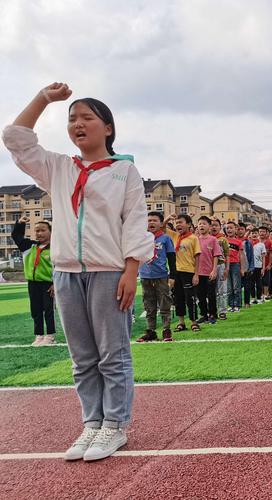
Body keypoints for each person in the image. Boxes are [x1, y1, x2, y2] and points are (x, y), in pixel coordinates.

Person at [3, 82, 154, 461]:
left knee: (112, 355)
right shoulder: (58, 168)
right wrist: (42, 99)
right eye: (72, 119)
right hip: (67, 273)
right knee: (82, 356)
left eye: (87, 117)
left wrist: (131, 271)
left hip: (109, 272)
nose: (78, 124)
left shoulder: (125, 173)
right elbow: (16, 138)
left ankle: (115, 426)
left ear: (108, 128)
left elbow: (135, 223)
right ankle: (92, 423)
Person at [11, 216, 56, 345]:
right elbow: (16, 236)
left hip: (48, 284)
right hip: (32, 283)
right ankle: (39, 335)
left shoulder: (55, 249)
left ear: (51, 232)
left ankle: (50, 335)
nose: (39, 233)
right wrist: (20, 223)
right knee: (35, 310)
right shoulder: (28, 246)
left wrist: (55, 284)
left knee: (48, 310)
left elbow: (58, 267)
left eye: (43, 230)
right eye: (37, 231)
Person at [137, 212, 176, 342]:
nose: (151, 223)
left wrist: (172, 275)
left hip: (161, 276)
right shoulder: (141, 238)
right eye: (149, 221)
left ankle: (166, 329)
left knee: (164, 302)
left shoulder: (165, 238)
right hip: (145, 276)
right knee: (148, 304)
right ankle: (151, 330)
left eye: (154, 220)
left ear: (161, 223)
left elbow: (171, 257)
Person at [165, 213, 201, 332]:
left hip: (189, 272)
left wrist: (196, 274)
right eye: (177, 223)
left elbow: (197, 257)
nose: (178, 225)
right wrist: (168, 218)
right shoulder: (174, 236)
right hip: (175, 272)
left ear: (189, 224)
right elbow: (161, 228)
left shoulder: (193, 238)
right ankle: (181, 323)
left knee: (190, 298)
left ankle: (194, 322)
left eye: (181, 222)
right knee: (178, 298)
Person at [195, 216, 222, 322]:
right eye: (200, 223)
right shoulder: (195, 239)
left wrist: (214, 270)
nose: (201, 225)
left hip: (209, 272)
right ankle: (203, 315)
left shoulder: (213, 239)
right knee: (200, 295)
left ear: (209, 226)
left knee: (211, 295)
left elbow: (216, 255)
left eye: (204, 223)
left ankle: (213, 314)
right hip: (198, 273)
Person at [210, 218, 229, 320]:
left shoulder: (222, 239)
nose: (213, 227)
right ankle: (213, 311)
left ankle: (222, 311)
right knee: (211, 291)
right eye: (212, 225)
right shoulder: (205, 238)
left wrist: (227, 268)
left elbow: (227, 255)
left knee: (222, 289)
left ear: (220, 227)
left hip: (221, 265)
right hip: (209, 267)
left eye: (216, 225)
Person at [224, 221, 244, 313]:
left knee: (236, 286)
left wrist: (242, 268)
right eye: (227, 228)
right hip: (225, 265)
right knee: (229, 287)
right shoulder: (223, 240)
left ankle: (237, 305)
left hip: (235, 264)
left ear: (235, 229)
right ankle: (231, 304)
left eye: (231, 228)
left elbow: (241, 255)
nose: (229, 230)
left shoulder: (239, 242)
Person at [249, 228, 266, 304]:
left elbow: (263, 257)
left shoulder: (261, 244)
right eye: (252, 233)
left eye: (255, 233)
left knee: (259, 283)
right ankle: (252, 298)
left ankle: (259, 298)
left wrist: (263, 267)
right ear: (250, 235)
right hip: (250, 267)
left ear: (258, 234)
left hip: (258, 266)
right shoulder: (248, 243)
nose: (254, 235)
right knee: (251, 283)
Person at [258, 226, 272, 301]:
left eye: (263, 231)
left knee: (266, 280)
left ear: (266, 233)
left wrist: (269, 264)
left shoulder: (269, 242)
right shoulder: (256, 241)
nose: (262, 233)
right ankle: (260, 295)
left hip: (267, 264)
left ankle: (265, 294)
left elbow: (271, 254)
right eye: (260, 231)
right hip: (258, 265)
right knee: (258, 280)